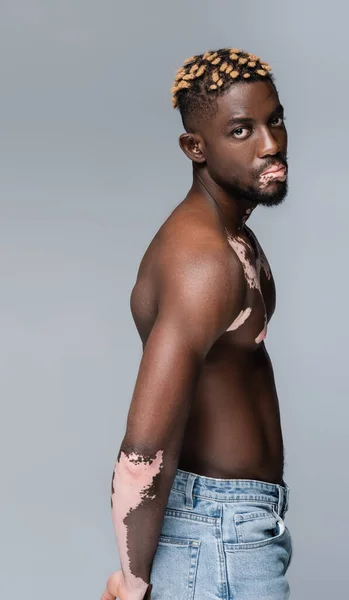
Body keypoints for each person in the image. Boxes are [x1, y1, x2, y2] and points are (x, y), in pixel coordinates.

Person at [101, 47, 292, 600]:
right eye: (241, 130)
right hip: (217, 538)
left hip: (234, 531)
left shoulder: (233, 236)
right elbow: (144, 451)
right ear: (196, 147)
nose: (271, 143)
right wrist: (134, 585)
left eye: (273, 119)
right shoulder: (202, 260)